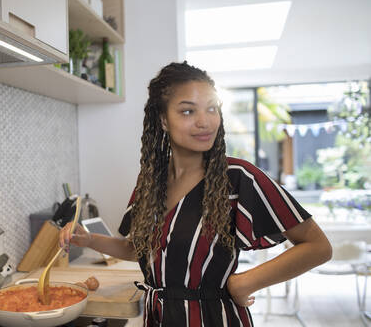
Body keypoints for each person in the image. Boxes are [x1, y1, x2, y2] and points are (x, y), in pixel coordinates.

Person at [59, 61, 332, 326]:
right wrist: (90, 239)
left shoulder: (238, 178)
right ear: (163, 119)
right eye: (188, 111)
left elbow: (318, 247)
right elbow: (139, 250)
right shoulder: (149, 182)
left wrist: (245, 281)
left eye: (212, 109)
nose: (205, 121)